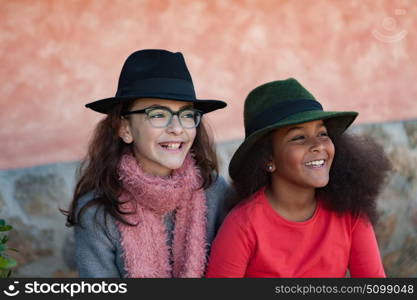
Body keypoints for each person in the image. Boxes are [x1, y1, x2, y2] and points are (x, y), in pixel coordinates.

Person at [63, 49, 231, 278]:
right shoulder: (97, 212)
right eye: (158, 114)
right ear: (125, 128)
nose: (177, 128)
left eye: (187, 115)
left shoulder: (214, 191)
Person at [205, 78, 391, 278]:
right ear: (268, 158)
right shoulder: (242, 226)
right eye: (298, 137)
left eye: (322, 133)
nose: (318, 145)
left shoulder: (350, 212)